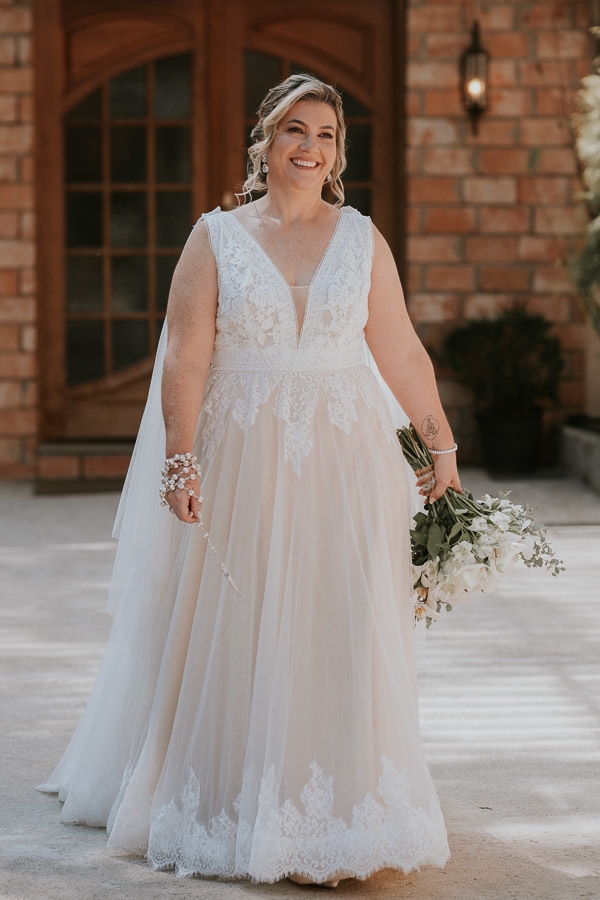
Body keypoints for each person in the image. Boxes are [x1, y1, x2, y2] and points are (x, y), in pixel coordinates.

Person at [36, 73, 461, 887]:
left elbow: (400, 350)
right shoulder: (217, 236)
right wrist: (180, 456)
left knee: (339, 618)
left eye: (327, 135)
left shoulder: (363, 238)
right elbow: (186, 355)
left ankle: (341, 809)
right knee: (242, 620)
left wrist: (439, 447)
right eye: (295, 130)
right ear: (266, 139)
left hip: (345, 457)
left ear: (339, 154)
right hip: (241, 455)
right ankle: (240, 802)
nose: (310, 147)